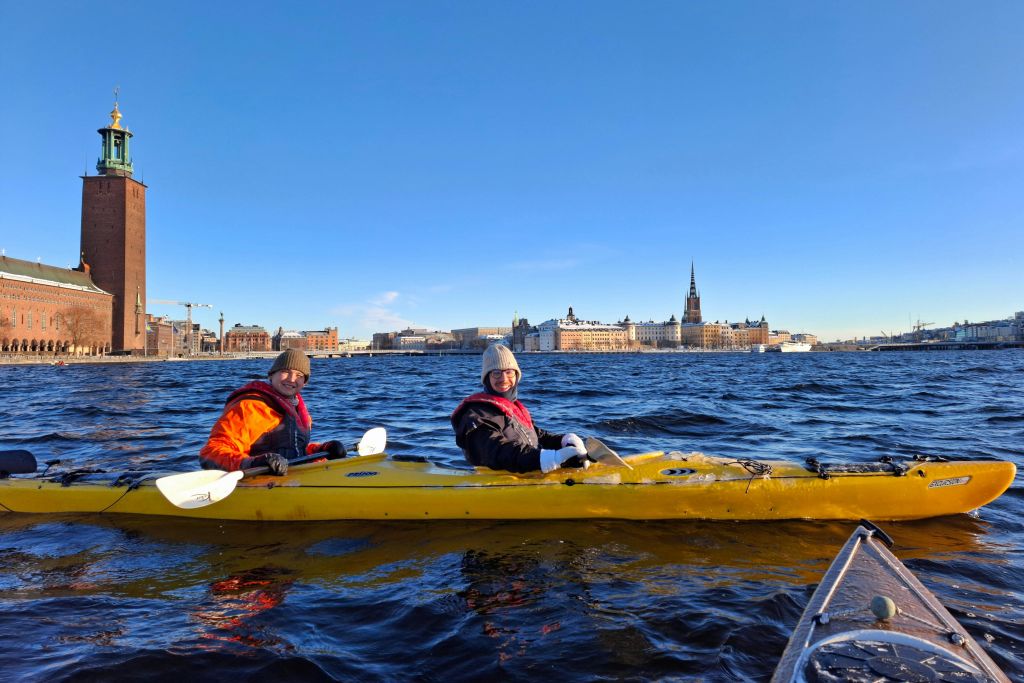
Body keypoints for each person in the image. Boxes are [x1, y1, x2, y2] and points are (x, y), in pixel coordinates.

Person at [199, 349, 346, 475]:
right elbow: (211, 453)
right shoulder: (249, 407)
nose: (291, 379)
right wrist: (254, 463)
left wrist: (320, 450)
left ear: (305, 383)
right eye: (285, 372)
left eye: (299, 375)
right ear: (271, 375)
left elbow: (293, 449)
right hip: (258, 483)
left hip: (294, 477)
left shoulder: (299, 409)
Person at [451, 344, 589, 474]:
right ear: (487, 378)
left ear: (516, 376)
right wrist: (548, 459)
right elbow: (496, 451)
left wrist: (563, 440)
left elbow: (536, 435)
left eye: (509, 372)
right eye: (496, 373)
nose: (504, 379)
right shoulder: (476, 414)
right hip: (495, 485)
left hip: (527, 472)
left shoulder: (513, 408)